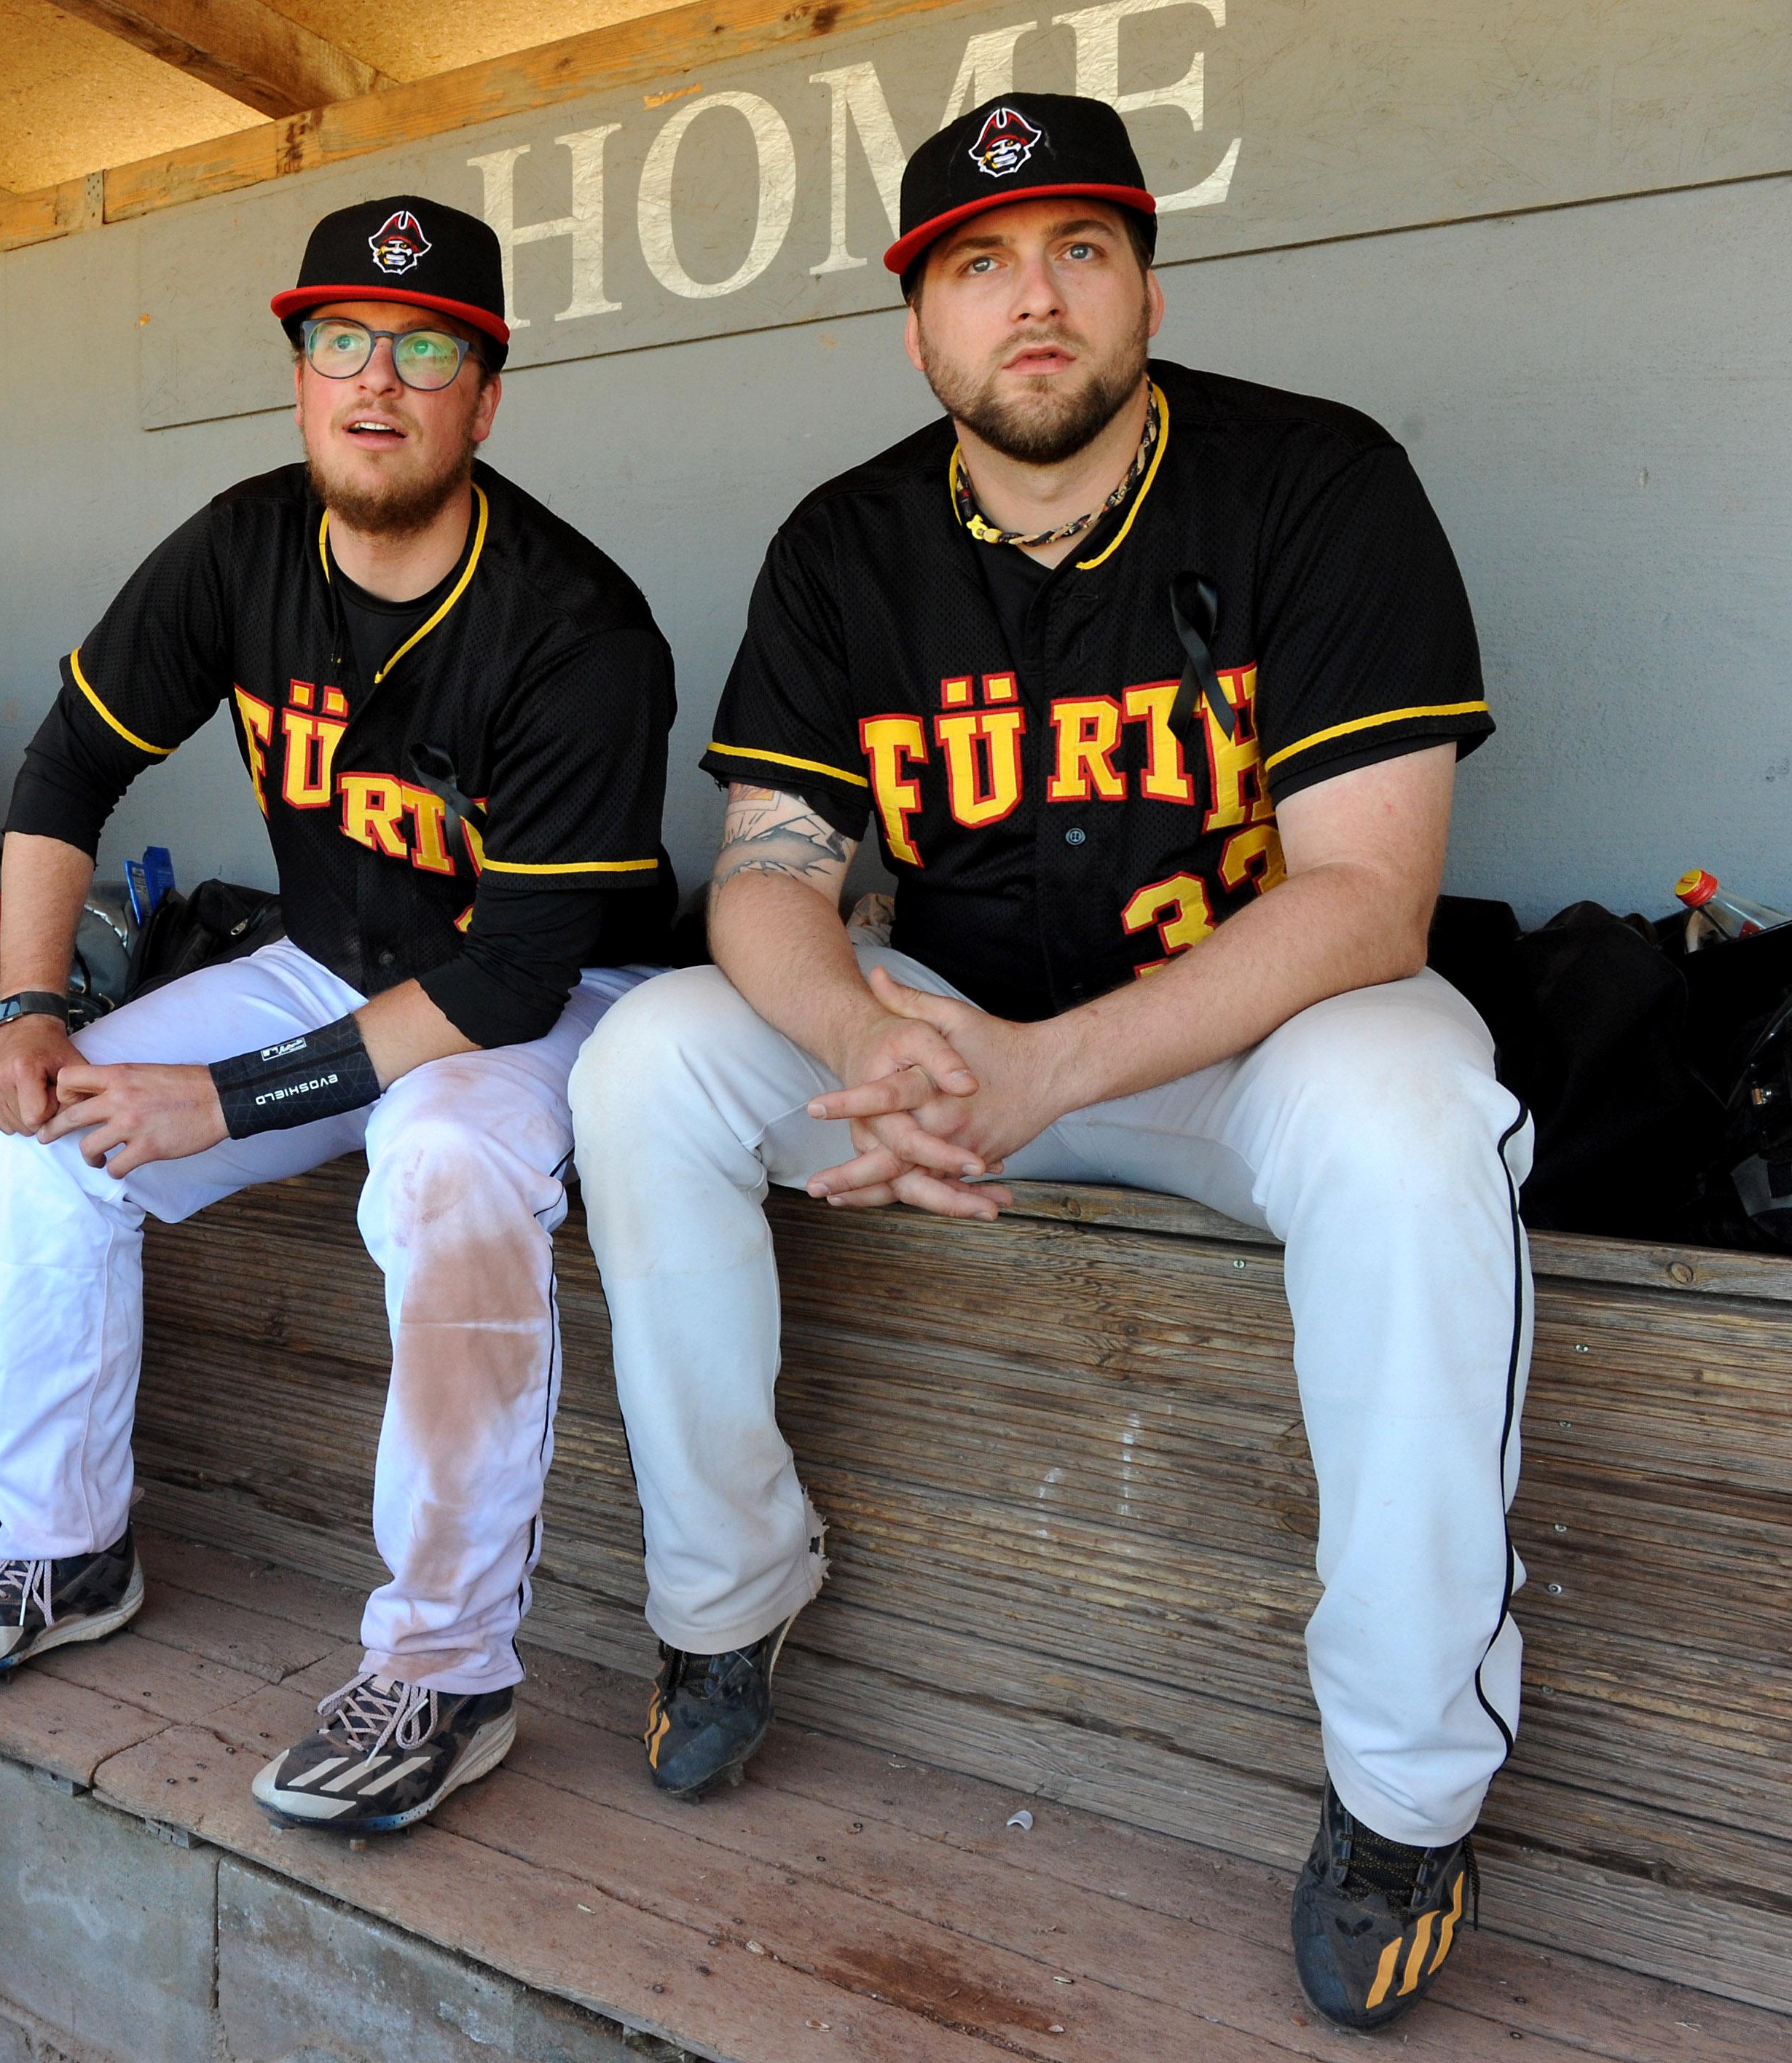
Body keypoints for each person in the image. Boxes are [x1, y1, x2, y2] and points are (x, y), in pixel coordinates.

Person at [565, 95, 1520, 2032]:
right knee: (650, 1054)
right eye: (978, 264)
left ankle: (1408, 1787)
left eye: (1082, 248)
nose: (1036, 299)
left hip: (1245, 1048)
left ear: (1147, 287)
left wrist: (1037, 1073)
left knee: (1422, 1113)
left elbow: (1368, 901)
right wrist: (863, 1038)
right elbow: (765, 878)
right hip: (956, 1041)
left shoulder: (1314, 483)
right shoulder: (846, 543)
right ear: (916, 325)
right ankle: (723, 1607)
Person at [0, 196, 677, 1836]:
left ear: (486, 390)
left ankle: (447, 1671)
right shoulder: (247, 542)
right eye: (338, 343)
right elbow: (65, 768)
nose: (374, 382)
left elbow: (513, 975)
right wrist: (33, 1011)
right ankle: (64, 1547)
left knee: (443, 1166)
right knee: (49, 1130)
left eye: (423, 348)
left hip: (548, 992)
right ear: (300, 375)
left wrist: (228, 1100)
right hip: (336, 953)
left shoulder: (576, 627)